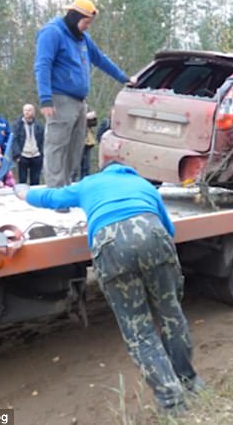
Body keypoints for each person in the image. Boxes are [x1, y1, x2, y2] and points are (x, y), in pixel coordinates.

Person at [13, 161, 202, 411]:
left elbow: (52, 198)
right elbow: (169, 228)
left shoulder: (90, 183)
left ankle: (172, 402)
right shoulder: (144, 184)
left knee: (139, 329)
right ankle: (190, 382)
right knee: (171, 314)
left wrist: (24, 192)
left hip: (111, 244)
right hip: (153, 235)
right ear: (129, 170)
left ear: (103, 171)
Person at [34, 0, 136, 191]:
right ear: (74, 17)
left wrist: (124, 78)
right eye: (86, 22)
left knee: (75, 148)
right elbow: (42, 65)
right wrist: (45, 98)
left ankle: (65, 188)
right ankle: (55, 192)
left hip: (79, 102)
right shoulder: (52, 32)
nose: (88, 27)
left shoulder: (82, 38)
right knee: (57, 146)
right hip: (59, 99)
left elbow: (100, 59)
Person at [11, 104, 44, 186]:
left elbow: (43, 140)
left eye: (29, 110)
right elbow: (14, 140)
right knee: (22, 180)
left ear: (34, 112)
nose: (27, 112)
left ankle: (34, 194)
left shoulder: (39, 125)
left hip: (36, 155)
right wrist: (17, 155)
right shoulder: (17, 125)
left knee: (35, 180)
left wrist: (42, 154)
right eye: (25, 110)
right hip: (23, 155)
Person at [79, 110, 97, 179]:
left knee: (87, 165)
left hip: (88, 142)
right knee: (80, 164)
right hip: (80, 142)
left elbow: (94, 123)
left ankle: (86, 177)